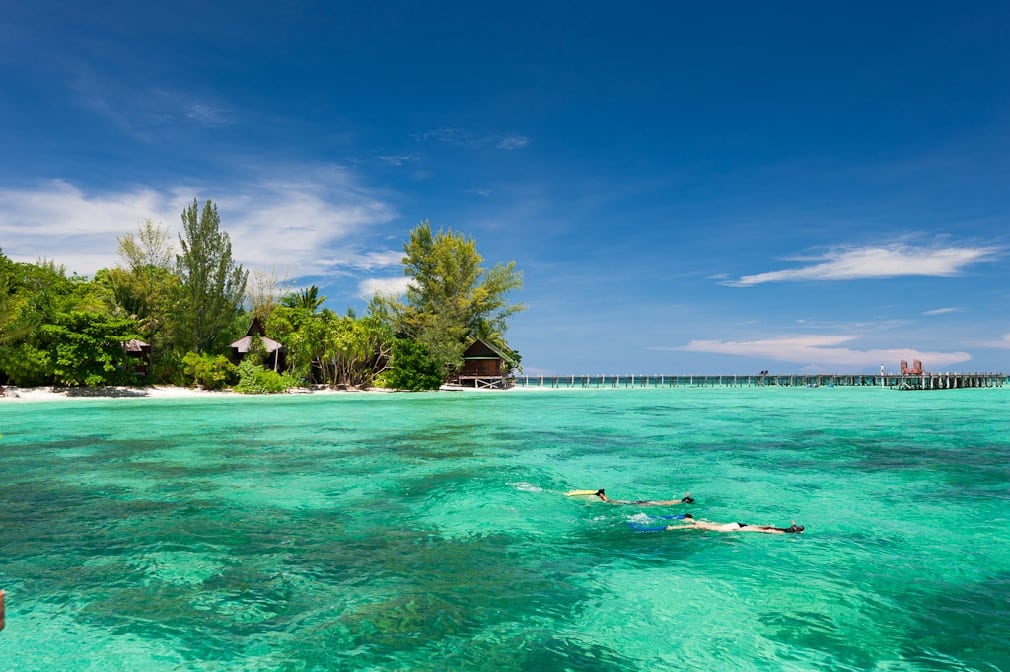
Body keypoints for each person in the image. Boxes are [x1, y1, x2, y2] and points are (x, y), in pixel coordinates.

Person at [665, 513, 803, 534]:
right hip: (734, 524)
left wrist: (674, 527)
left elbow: (693, 526)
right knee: (760, 528)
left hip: (730, 527)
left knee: (761, 530)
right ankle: (789, 529)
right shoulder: (704, 522)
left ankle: (788, 530)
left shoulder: (701, 525)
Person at [593, 489, 695, 506]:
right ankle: (602, 495)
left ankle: (602, 495)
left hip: (646, 503)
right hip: (645, 504)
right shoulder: (677, 502)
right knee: (619, 503)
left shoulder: (678, 501)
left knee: (618, 502)